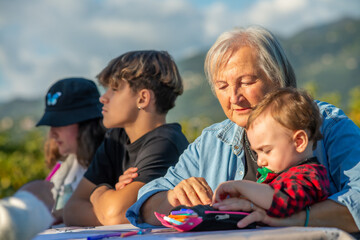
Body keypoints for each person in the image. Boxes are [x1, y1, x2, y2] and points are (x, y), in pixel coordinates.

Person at [126, 26, 360, 232]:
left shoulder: (328, 125)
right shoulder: (212, 141)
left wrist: (296, 219)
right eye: (222, 86)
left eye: (247, 82)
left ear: (278, 79)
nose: (234, 97)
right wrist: (171, 197)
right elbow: (144, 205)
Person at [63, 50, 189, 226]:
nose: (103, 98)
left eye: (114, 89)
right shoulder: (116, 139)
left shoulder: (165, 142)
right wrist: (112, 199)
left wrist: (99, 191)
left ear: (143, 98)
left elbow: (116, 214)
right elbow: (71, 211)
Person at [212, 88, 330, 222]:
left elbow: (282, 200)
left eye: (266, 151)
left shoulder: (310, 176)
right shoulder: (279, 174)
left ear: (299, 141)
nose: (260, 161)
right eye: (257, 153)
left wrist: (241, 186)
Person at [36, 77, 106, 223]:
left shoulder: (110, 165)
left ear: (86, 124)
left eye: (59, 124)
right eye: (51, 125)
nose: (51, 134)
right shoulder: (65, 166)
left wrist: (60, 214)